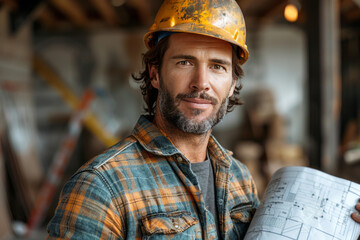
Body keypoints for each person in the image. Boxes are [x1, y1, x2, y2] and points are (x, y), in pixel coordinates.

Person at [47, 0, 360, 239]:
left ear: (233, 83)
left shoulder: (239, 179)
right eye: (185, 62)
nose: (201, 82)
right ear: (155, 74)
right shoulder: (100, 188)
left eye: (218, 67)